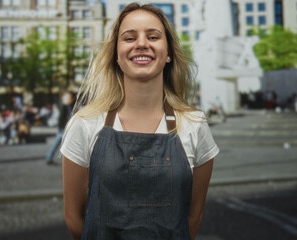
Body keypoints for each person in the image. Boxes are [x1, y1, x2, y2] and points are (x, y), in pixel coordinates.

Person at [61, 3, 219, 239]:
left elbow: (193, 216)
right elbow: (74, 217)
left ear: (169, 54)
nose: (142, 43)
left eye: (153, 36)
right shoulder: (84, 124)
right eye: (129, 37)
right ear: (116, 54)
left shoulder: (195, 125)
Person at [46, 91, 75, 164]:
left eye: (71, 98)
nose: (71, 99)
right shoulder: (64, 107)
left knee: (64, 144)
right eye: (69, 98)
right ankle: (49, 158)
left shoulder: (71, 106)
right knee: (58, 143)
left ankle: (50, 158)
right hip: (63, 129)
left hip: (68, 129)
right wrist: (59, 129)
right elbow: (61, 118)